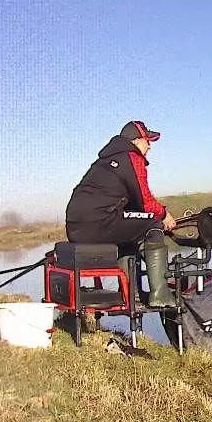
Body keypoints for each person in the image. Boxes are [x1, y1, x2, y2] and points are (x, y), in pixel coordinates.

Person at [64, 121, 179, 308]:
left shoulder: (105, 161)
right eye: (147, 141)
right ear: (134, 141)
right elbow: (145, 201)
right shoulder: (131, 157)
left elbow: (132, 206)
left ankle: (131, 294)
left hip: (78, 228)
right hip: (99, 223)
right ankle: (160, 294)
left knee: (131, 231)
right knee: (152, 223)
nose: (149, 146)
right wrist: (165, 215)